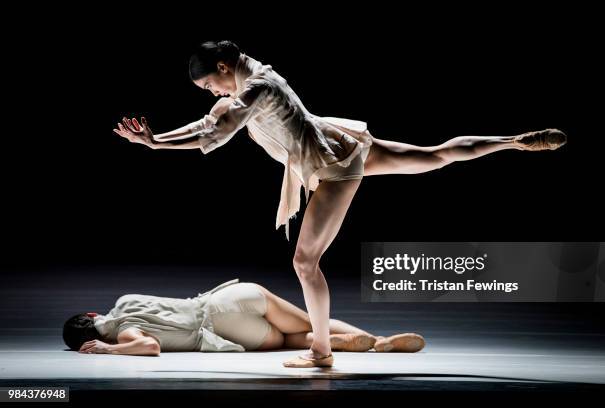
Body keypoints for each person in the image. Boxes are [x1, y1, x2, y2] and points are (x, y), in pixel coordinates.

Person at [113, 40, 566, 367]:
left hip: (333, 166)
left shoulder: (257, 90)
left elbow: (217, 130)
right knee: (435, 156)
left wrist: (156, 146)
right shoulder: (252, 81)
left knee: (306, 263)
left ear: (224, 65)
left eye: (212, 83)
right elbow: (208, 121)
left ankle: (321, 352)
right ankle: (512, 142)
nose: (213, 93)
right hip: (342, 141)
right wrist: (157, 140)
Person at [63, 279, 425, 358]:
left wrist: (108, 351)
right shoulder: (124, 302)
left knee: (287, 340)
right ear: (92, 315)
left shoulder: (123, 333)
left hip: (230, 335)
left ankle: (345, 345)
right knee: (313, 322)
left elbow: (149, 346)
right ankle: (376, 341)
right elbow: (152, 344)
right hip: (226, 302)